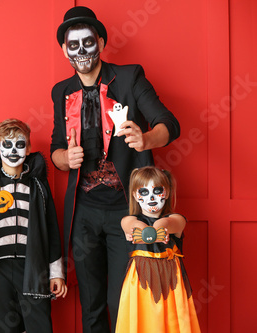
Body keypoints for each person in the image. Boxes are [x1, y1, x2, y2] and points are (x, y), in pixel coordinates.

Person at [50, 6, 181, 333]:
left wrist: (146, 137)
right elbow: (55, 149)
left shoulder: (129, 77)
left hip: (128, 211)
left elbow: (170, 124)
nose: (81, 51)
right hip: (84, 213)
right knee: (91, 304)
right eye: (73, 44)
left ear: (102, 42)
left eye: (88, 42)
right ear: (64, 49)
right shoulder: (61, 92)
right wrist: (66, 159)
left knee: (122, 299)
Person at [0, 119, 67, 333]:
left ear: (28, 149)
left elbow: (51, 227)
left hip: (33, 266)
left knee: (38, 324)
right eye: (7, 145)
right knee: (1, 324)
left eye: (20, 145)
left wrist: (56, 272)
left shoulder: (38, 185)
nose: (13, 151)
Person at [117, 166, 200, 332]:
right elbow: (131, 225)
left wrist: (158, 227)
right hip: (141, 281)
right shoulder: (130, 220)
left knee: (173, 322)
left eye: (157, 190)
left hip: (171, 281)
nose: (152, 197)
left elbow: (170, 223)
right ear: (135, 195)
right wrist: (143, 229)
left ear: (167, 193)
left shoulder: (176, 219)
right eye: (145, 192)